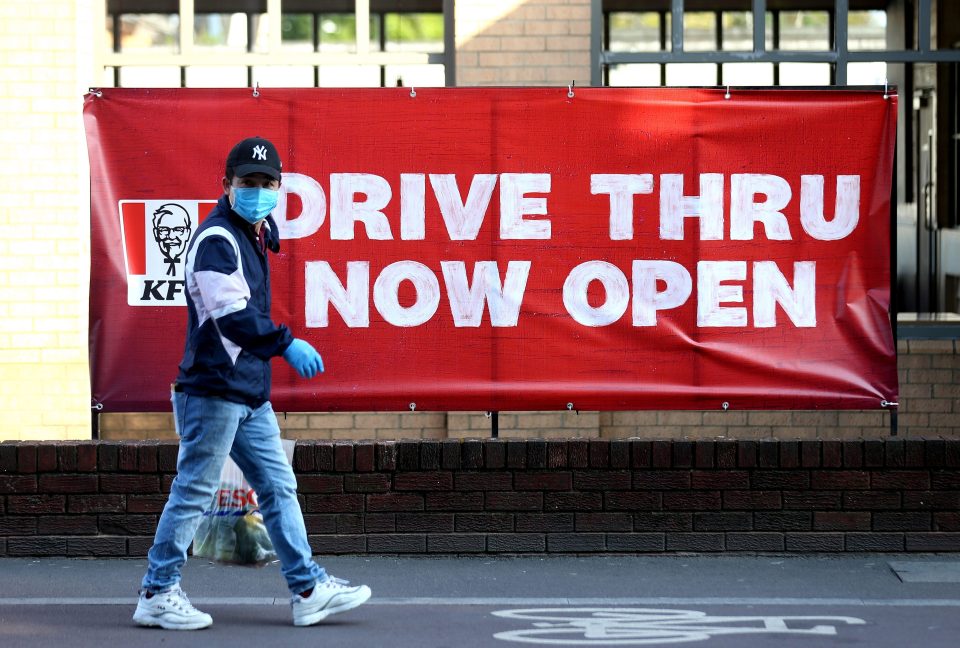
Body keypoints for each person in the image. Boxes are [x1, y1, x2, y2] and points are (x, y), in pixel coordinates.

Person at [133, 136, 371, 630]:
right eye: (248, 183)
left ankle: (307, 590)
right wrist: (286, 343)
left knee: (278, 487)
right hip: (213, 390)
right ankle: (156, 592)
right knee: (194, 491)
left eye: (266, 183)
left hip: (245, 392)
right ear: (227, 185)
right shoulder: (218, 239)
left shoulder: (254, 234)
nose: (258, 190)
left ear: (279, 187)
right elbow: (231, 315)